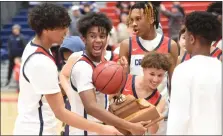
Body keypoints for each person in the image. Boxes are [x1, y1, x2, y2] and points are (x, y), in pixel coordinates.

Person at [13, 3, 122, 135]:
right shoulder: (41, 62)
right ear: (47, 29)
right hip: (38, 130)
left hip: (30, 126)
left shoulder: (33, 47)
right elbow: (61, 113)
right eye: (62, 26)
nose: (66, 31)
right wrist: (102, 128)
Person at [68, 12, 147, 135]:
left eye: (102, 36)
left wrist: (123, 71)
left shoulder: (105, 63)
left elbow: (114, 93)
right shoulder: (82, 67)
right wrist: (130, 126)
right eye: (93, 36)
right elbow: (91, 108)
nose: (98, 40)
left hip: (101, 130)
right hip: (84, 132)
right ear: (84, 38)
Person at [167, 11, 222, 135]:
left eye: (185, 33)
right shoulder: (220, 68)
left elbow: (178, 119)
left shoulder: (183, 70)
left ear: (192, 39)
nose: (184, 37)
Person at [119, 2, 178, 97]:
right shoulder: (126, 45)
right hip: (135, 106)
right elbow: (122, 82)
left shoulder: (170, 45)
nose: (134, 24)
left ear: (151, 19)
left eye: (138, 19)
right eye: (132, 20)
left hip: (162, 108)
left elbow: (173, 81)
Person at [119, 52, 171, 135]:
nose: (155, 80)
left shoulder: (160, 100)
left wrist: (154, 117)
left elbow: (153, 131)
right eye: (152, 74)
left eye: (160, 75)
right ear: (143, 69)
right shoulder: (125, 80)